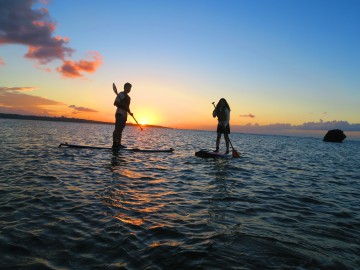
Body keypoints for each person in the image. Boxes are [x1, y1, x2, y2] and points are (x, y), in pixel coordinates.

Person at [113, 82, 133, 148]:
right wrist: (123, 105)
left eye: (130, 88)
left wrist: (130, 112)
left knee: (120, 129)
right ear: (125, 87)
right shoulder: (121, 94)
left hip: (124, 115)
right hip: (120, 113)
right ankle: (115, 143)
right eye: (128, 88)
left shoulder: (128, 97)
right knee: (117, 129)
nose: (129, 89)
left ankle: (119, 143)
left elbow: (127, 107)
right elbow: (115, 103)